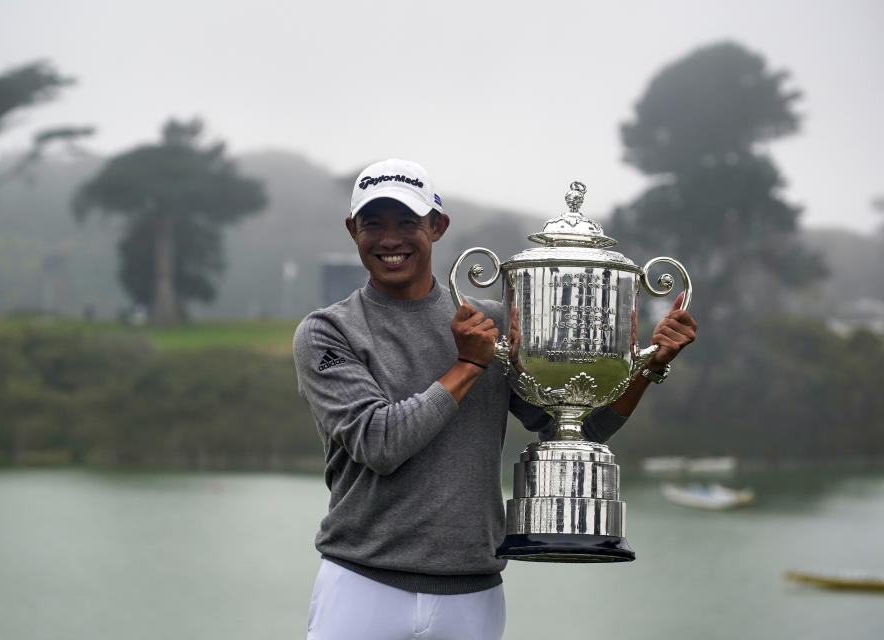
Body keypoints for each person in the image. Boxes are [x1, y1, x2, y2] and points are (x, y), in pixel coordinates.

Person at [292, 159, 697, 640]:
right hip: (362, 583)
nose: (389, 239)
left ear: (437, 227)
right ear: (352, 231)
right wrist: (468, 366)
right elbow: (379, 443)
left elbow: (576, 430)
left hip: (473, 592)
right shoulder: (328, 331)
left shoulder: (494, 322)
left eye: (407, 222)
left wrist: (649, 366)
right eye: (372, 224)